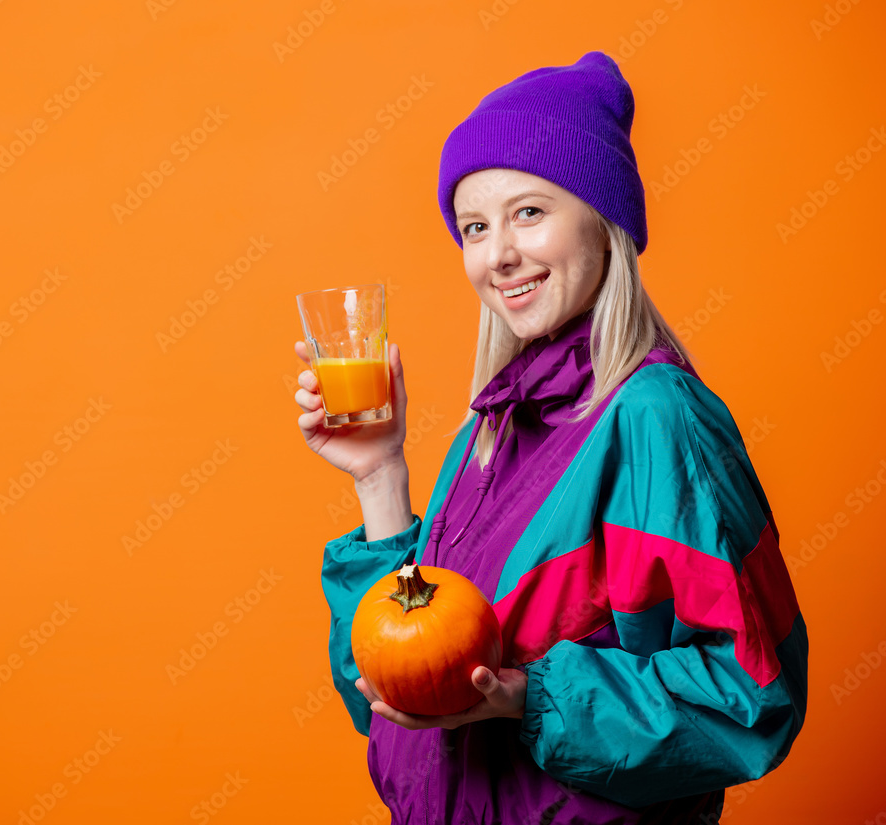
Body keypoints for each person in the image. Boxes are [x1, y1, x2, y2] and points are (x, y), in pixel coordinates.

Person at [294, 51, 808, 825]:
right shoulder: (492, 428)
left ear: (604, 223)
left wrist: (531, 697)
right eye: (475, 226)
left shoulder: (655, 417)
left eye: (529, 213)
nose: (496, 255)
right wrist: (379, 476)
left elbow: (752, 696)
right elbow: (397, 684)